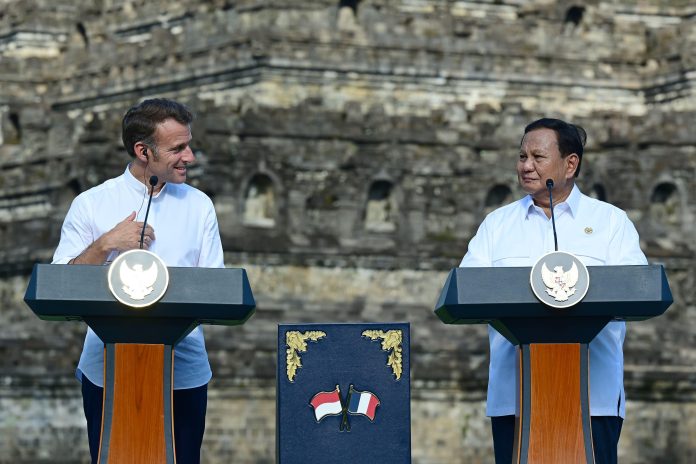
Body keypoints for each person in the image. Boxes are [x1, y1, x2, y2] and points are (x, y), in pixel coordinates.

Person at [459, 118, 646, 464]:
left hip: (594, 398)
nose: (526, 166)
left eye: (538, 157)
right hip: (516, 399)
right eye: (522, 156)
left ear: (570, 164)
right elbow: (467, 290)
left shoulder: (611, 222)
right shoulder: (497, 225)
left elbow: (637, 287)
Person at [52, 98, 223, 464]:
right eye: (177, 148)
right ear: (143, 151)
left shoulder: (200, 206)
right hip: (107, 372)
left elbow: (215, 289)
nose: (190, 157)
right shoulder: (91, 204)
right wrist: (105, 245)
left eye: (188, 145)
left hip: (183, 372)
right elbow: (60, 284)